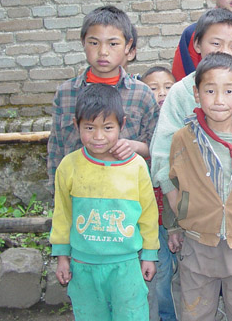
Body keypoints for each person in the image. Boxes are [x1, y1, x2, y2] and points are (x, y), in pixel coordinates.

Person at [150, 8, 232, 321]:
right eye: (215, 44)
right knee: (196, 305)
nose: (224, 52)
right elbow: (163, 154)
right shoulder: (184, 92)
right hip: (197, 227)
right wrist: (178, 204)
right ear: (197, 45)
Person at [167, 53, 232, 321]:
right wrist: (174, 224)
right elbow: (174, 180)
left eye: (229, 90)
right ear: (196, 94)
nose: (219, 100)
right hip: (197, 243)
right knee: (196, 313)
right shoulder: (183, 138)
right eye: (210, 90)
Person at [50, 84, 159, 321]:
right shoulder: (69, 166)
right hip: (83, 265)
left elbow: (148, 214)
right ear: (76, 124)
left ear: (122, 123)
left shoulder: (136, 165)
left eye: (108, 127)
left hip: (126, 265)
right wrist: (62, 257)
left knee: (131, 315)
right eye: (89, 128)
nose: (98, 137)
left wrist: (149, 253)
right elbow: (63, 215)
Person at [47, 5, 159, 190]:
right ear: (83, 42)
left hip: (126, 194)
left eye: (113, 44)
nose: (103, 52)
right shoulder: (66, 93)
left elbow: (156, 145)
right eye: (94, 43)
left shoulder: (142, 94)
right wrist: (55, 192)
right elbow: (56, 148)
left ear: (128, 46)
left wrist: (134, 146)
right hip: (78, 193)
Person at [140, 66, 178, 321]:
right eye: (153, 89)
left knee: (180, 270)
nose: (161, 93)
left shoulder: (179, 125)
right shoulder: (143, 126)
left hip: (174, 215)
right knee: (161, 269)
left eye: (167, 87)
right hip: (149, 220)